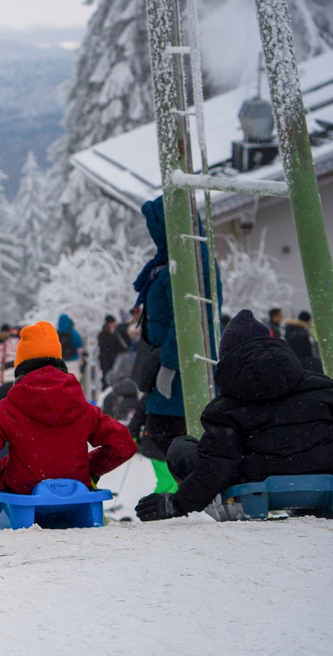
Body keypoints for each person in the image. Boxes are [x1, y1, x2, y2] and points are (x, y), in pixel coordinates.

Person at [136, 310, 333, 522]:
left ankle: (229, 508)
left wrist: (176, 504)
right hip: (323, 474)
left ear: (228, 357)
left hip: (253, 481)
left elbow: (216, 468)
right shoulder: (323, 388)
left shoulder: (224, 409)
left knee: (181, 447)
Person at [0, 322, 136, 509]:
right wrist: (91, 468)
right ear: (59, 361)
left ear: (21, 365)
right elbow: (123, 444)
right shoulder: (83, 407)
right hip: (75, 494)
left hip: (22, 496)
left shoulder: (8, 408)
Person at [134, 196, 220, 492]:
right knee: (162, 431)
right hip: (170, 362)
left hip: (183, 366)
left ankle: (178, 489)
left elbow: (190, 318)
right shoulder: (172, 259)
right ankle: (177, 487)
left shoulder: (190, 258)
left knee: (165, 432)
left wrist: (170, 364)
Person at [97, 315, 130, 386]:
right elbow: (103, 349)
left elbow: (121, 347)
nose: (113, 325)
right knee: (107, 380)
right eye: (111, 324)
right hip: (107, 362)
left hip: (117, 360)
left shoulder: (118, 333)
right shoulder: (102, 335)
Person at [56, 314, 85, 378]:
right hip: (73, 360)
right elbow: (80, 347)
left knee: (62, 381)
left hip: (61, 362)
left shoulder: (56, 333)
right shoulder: (74, 333)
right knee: (74, 381)